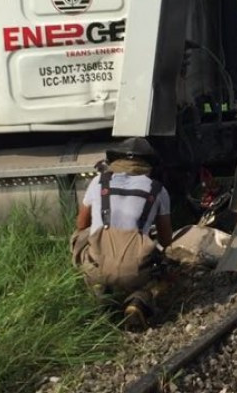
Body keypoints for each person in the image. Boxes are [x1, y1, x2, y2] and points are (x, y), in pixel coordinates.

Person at [71, 137, 173, 328]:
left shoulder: (98, 182)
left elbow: (81, 223)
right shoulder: (159, 190)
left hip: (96, 266)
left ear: (115, 160)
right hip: (135, 273)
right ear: (149, 164)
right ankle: (139, 301)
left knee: (79, 235)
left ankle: (99, 290)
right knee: (165, 269)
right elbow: (167, 240)